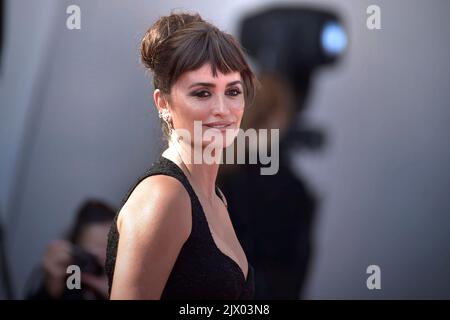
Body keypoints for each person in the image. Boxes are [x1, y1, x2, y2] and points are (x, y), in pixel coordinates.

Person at [105, 12, 258, 299]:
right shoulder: (164, 196)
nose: (223, 109)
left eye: (233, 91)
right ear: (163, 103)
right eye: (202, 93)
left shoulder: (215, 198)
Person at [27, 200, 116, 300]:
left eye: (110, 249)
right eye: (92, 256)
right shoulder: (67, 280)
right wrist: (51, 290)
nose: (103, 260)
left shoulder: (126, 284)